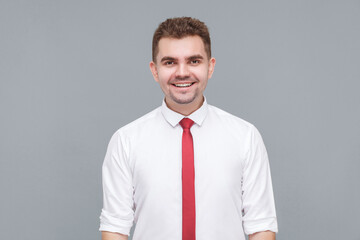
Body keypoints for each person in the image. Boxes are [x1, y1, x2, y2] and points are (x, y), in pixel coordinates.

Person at [99, 17, 278, 240]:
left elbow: (261, 225)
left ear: (210, 66)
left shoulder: (245, 137)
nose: (182, 72)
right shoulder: (126, 141)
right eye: (170, 62)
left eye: (194, 61)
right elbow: (115, 228)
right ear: (154, 70)